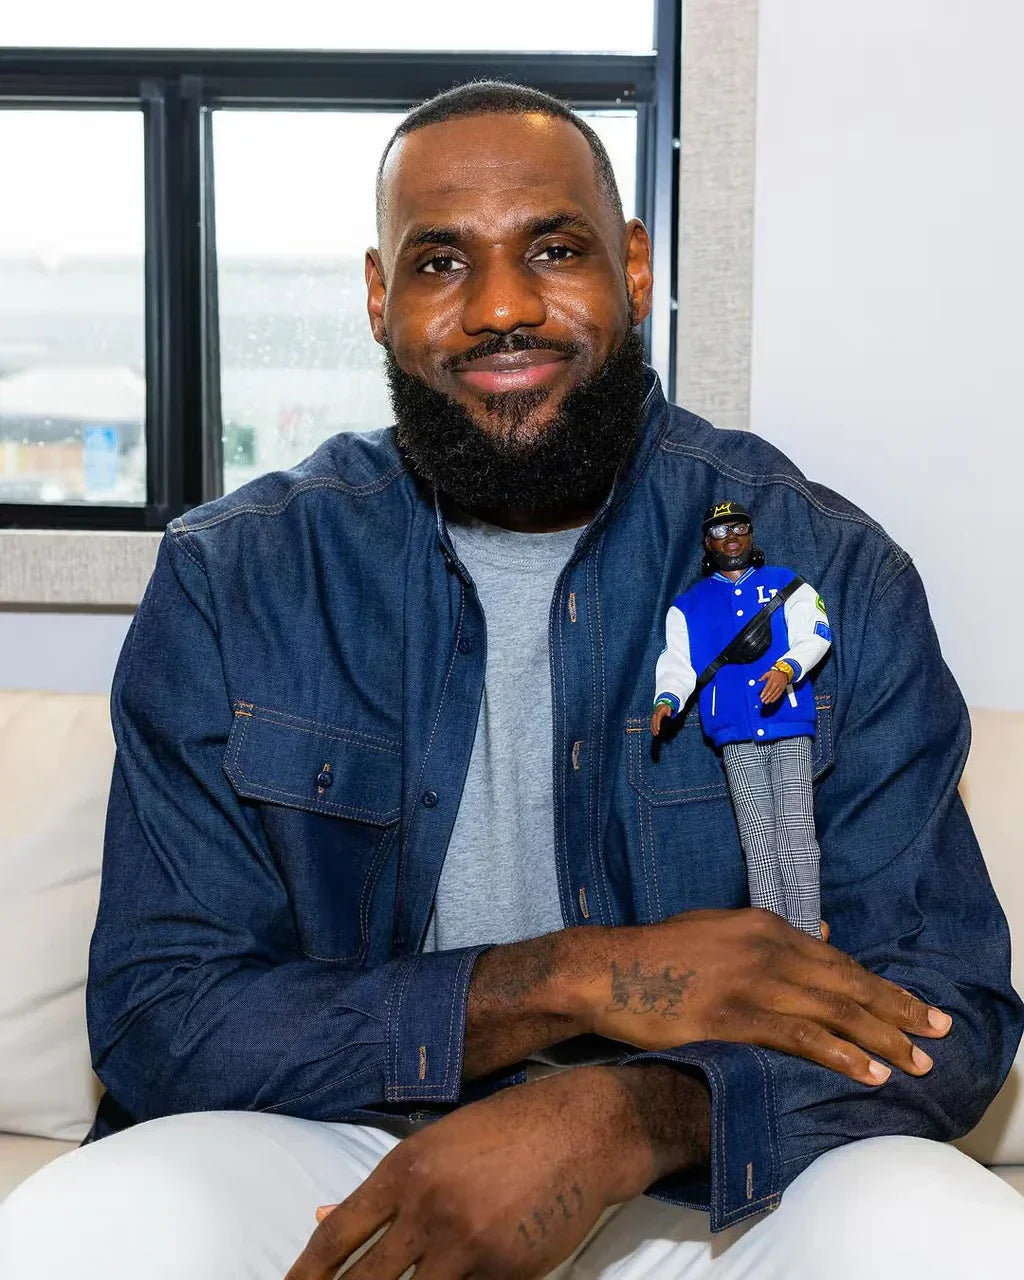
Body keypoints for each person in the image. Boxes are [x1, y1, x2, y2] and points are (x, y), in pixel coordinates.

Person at [1, 81, 1022, 1280]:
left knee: (944, 1234)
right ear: (378, 297)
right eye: (440, 262)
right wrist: (565, 977)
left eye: (553, 248)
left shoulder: (828, 566)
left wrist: (626, 1113)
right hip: (350, 1142)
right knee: (82, 1229)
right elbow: (161, 1013)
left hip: (715, 1168)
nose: (500, 307)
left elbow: (946, 1012)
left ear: (631, 268)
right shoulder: (238, 578)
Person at [650, 501, 833, 937]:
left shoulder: (787, 584)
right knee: (758, 839)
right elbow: (677, 662)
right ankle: (772, 942)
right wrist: (667, 698)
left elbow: (817, 632)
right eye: (719, 532)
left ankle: (807, 936)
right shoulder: (688, 606)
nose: (730, 538)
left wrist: (788, 667)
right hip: (732, 726)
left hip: (786, 719)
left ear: (751, 534)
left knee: (796, 832)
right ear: (706, 544)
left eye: (738, 528)